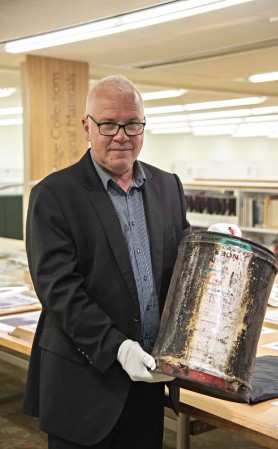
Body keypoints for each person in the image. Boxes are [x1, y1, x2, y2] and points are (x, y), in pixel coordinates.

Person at [23, 74, 190, 449]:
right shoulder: (54, 195)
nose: (121, 135)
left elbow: (183, 270)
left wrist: (215, 247)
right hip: (84, 383)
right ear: (87, 127)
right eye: (108, 124)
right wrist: (118, 347)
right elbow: (59, 291)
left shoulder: (168, 186)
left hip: (149, 383)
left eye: (132, 124)